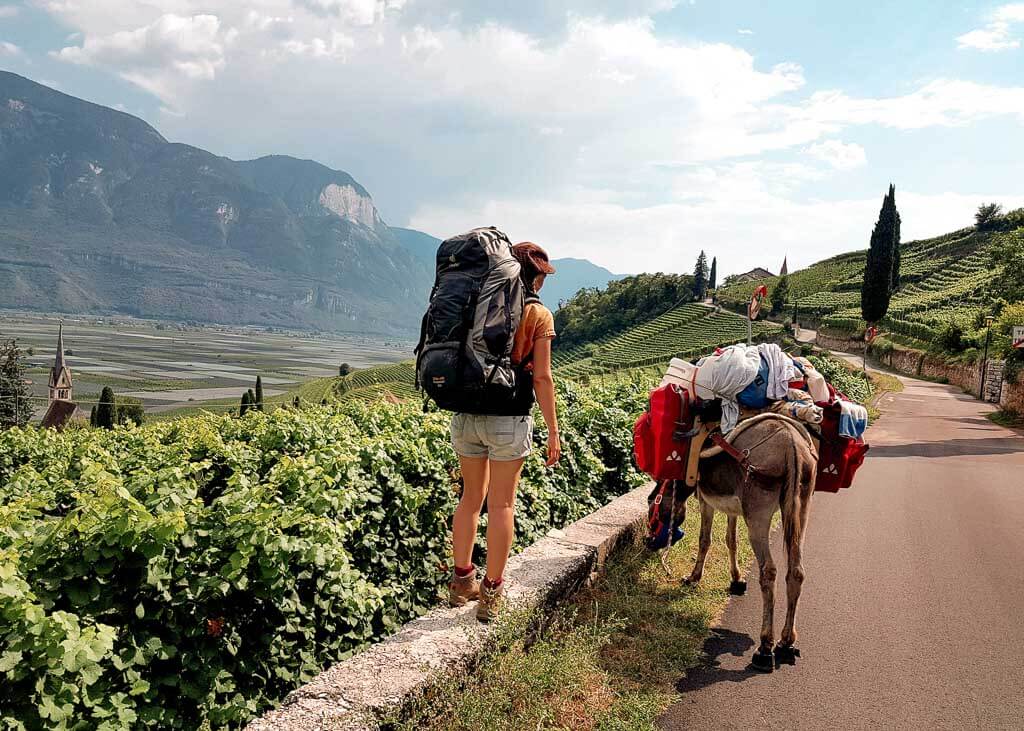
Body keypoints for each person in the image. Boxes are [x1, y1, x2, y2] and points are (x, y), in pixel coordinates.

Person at [447, 241, 562, 622]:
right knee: (501, 505)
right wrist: (553, 431)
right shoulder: (538, 314)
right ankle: (491, 595)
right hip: (508, 417)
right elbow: (542, 378)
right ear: (537, 277)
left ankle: (462, 581)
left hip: (466, 414)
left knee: (469, 499)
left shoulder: (477, 303)